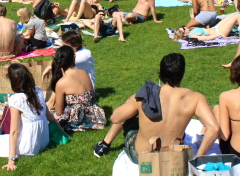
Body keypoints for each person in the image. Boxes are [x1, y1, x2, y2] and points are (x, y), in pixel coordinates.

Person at [92, 53, 220, 160]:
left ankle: (105, 143)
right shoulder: (195, 98)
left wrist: (132, 101)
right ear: (182, 73)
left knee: (131, 113)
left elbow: (116, 118)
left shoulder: (145, 95)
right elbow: (214, 128)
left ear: (160, 72)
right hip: (174, 154)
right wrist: (198, 157)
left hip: (143, 156)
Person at [47, 46, 106, 131]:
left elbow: (59, 112)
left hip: (76, 118)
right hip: (93, 113)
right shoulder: (84, 72)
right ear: (73, 58)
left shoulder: (62, 83)